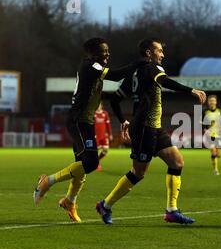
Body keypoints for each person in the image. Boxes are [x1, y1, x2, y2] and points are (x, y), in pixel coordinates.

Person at [33, 37, 145, 222]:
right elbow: (116, 76)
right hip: (78, 121)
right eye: (103, 51)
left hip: (86, 121)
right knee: (91, 162)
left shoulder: (94, 67)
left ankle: (70, 201)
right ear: (92, 53)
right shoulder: (90, 65)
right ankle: (47, 182)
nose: (107, 54)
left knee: (81, 167)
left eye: (108, 50)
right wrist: (138, 62)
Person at [95, 38, 206, 224]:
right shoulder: (153, 68)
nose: (162, 54)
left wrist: (123, 120)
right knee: (138, 173)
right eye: (159, 51)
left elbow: (114, 99)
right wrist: (191, 90)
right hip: (144, 130)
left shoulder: (133, 74)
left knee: (177, 162)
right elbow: (165, 81)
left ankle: (171, 210)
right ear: (148, 53)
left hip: (154, 128)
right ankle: (105, 205)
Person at [202, 95, 221, 175]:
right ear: (208, 102)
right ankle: (216, 170)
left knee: (218, 153)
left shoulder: (220, 111)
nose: (212, 102)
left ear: (216, 102)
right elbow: (201, 123)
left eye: (213, 101)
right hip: (210, 135)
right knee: (213, 152)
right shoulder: (205, 112)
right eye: (210, 101)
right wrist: (205, 130)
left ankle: (215, 160)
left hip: (219, 135)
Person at [94, 102, 113, 171]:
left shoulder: (105, 113)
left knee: (105, 149)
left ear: (101, 105)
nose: (98, 106)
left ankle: (97, 161)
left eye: (99, 104)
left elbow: (108, 125)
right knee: (95, 151)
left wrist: (110, 134)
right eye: (97, 105)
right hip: (96, 136)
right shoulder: (93, 114)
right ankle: (96, 164)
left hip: (104, 135)